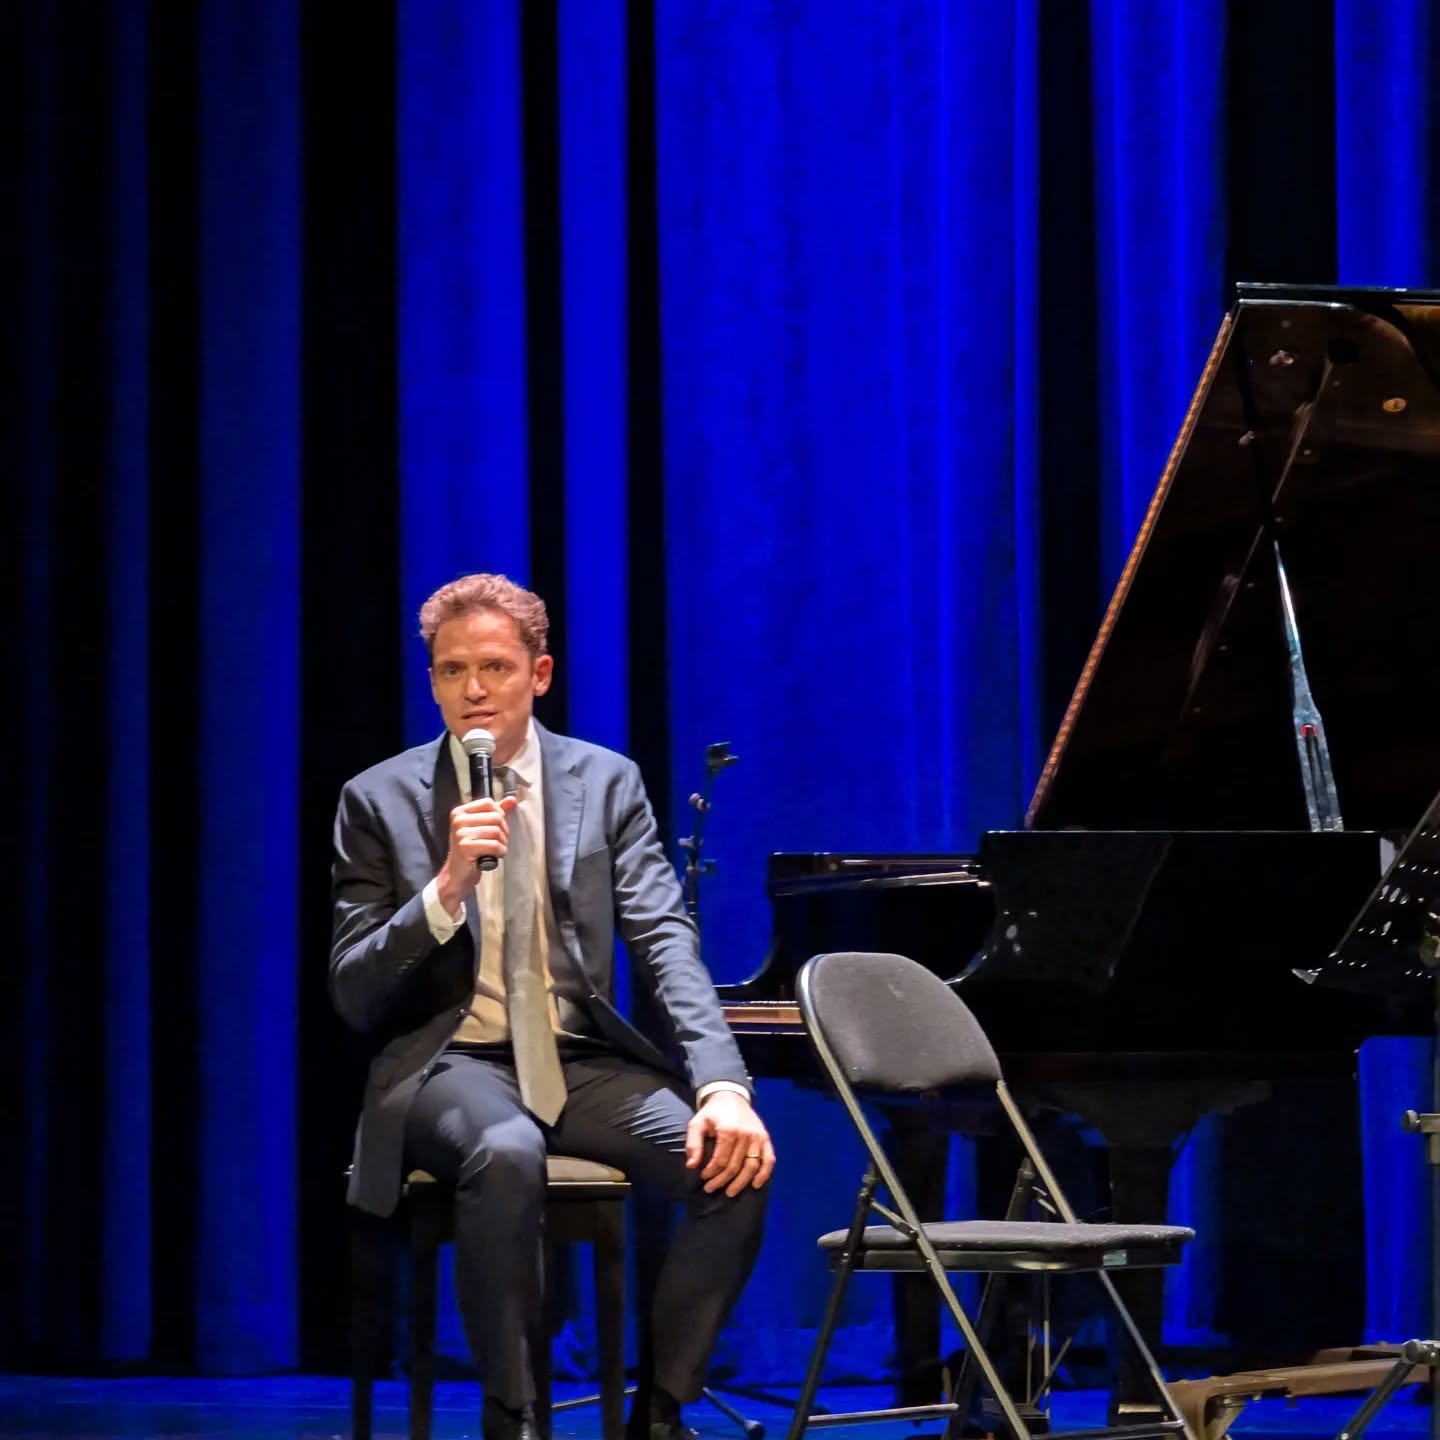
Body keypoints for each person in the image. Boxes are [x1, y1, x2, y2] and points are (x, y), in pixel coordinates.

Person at [331, 573, 773, 1440]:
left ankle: (661, 1411)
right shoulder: (378, 798)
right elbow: (353, 988)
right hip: (449, 1063)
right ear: (432, 682)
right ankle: (514, 1415)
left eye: (494, 667)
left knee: (736, 1166)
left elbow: (663, 938)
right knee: (506, 1151)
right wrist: (445, 889)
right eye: (451, 671)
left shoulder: (605, 783)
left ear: (540, 674)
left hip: (580, 1058)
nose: (473, 690)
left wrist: (725, 1085)